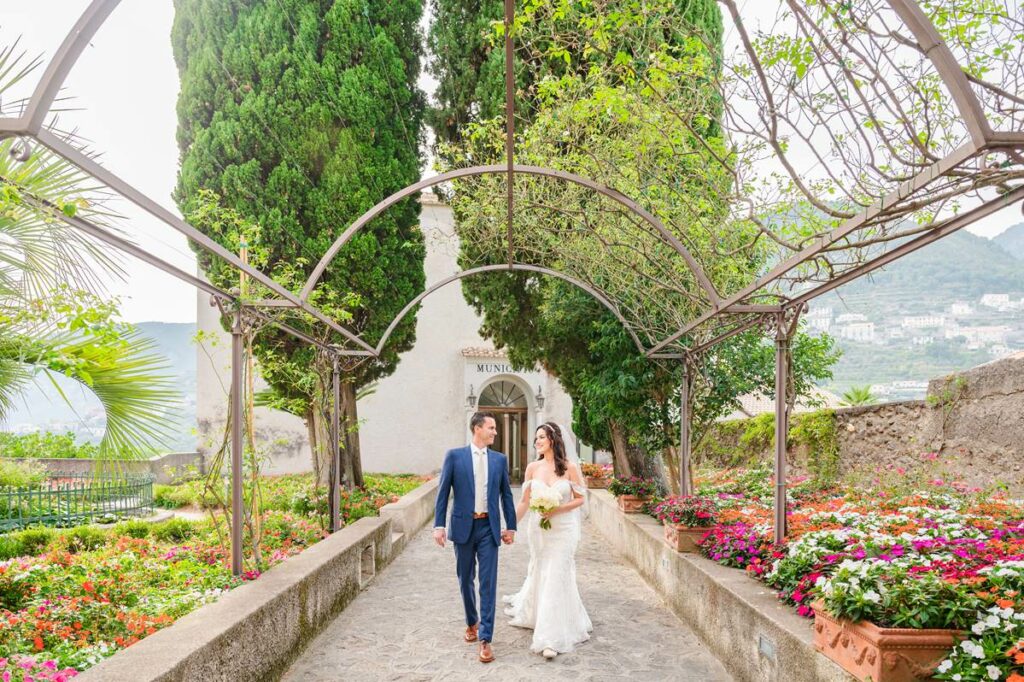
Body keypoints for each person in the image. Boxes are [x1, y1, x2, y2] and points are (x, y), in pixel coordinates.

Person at [433, 412, 517, 663]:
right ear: (477, 428)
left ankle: (486, 638)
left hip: (488, 529)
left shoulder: (499, 460)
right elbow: (443, 492)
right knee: (465, 579)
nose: (495, 432)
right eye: (491, 427)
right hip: (462, 528)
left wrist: (510, 526)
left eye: (495, 428)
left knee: (488, 583)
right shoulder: (455, 456)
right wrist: (438, 526)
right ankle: (472, 621)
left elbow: (506, 495)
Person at [503, 421, 592, 659]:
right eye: (536, 438)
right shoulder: (532, 467)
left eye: (541, 437)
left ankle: (550, 638)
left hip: (563, 530)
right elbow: (524, 502)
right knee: (542, 570)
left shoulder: (569, 468)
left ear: (552, 439)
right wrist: (511, 527)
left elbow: (580, 499)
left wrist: (557, 510)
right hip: (539, 531)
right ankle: (537, 615)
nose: (537, 442)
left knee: (557, 574)